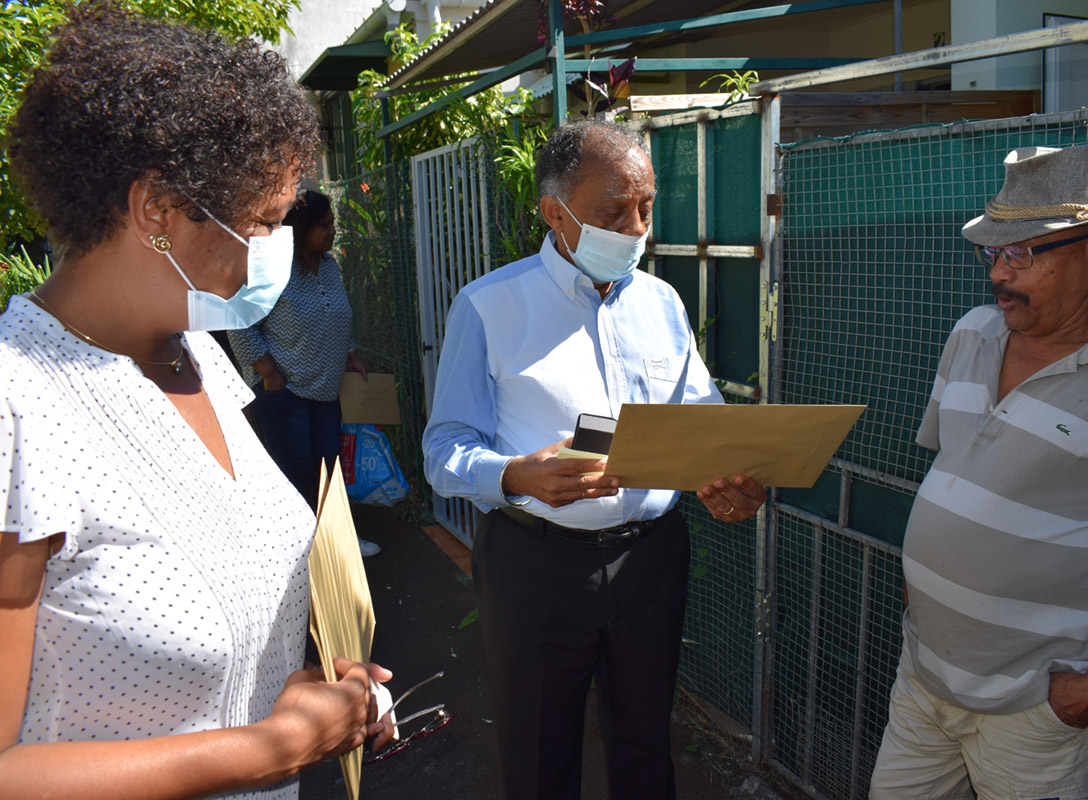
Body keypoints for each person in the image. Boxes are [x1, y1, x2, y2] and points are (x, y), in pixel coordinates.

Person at [0, 6, 393, 799]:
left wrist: (310, 690)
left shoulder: (200, 358)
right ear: (155, 211)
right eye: (262, 222)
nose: (276, 249)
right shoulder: (18, 406)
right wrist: (263, 748)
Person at [422, 120, 768, 800]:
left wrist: (727, 475)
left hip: (650, 559)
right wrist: (515, 475)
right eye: (614, 211)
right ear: (556, 212)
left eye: (646, 206)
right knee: (540, 751)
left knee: (646, 744)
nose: (636, 227)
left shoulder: (662, 303)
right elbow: (443, 449)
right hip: (537, 565)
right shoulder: (489, 306)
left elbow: (695, 416)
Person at [870, 143, 1088, 800]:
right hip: (924, 680)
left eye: (1022, 253)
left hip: (1035, 713)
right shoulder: (971, 334)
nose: (999, 275)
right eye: (994, 252)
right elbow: (954, 475)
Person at [228, 189, 379, 557]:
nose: (332, 232)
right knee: (294, 473)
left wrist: (350, 354)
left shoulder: (328, 265)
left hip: (326, 388)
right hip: (285, 391)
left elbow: (336, 313)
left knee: (329, 468)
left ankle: (337, 543)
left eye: (332, 225)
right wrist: (268, 372)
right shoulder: (272, 268)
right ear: (300, 229)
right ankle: (297, 554)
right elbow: (239, 322)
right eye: (324, 226)